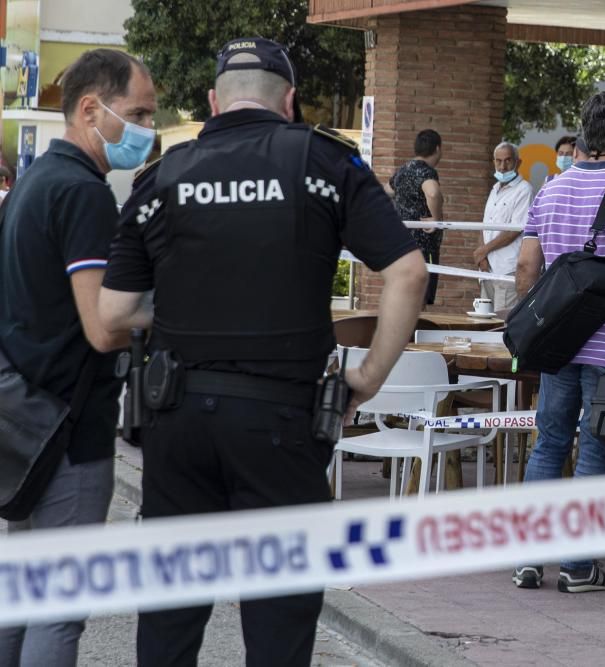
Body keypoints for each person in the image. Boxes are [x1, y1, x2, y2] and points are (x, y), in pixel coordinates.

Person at [97, 37, 428, 666]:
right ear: (291, 102)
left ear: (215, 101)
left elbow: (114, 314)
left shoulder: (164, 174)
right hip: (282, 424)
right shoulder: (326, 164)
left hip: (177, 418)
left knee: (169, 618)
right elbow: (407, 272)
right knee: (278, 623)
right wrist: (369, 376)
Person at [0, 49, 157, 666]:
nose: (147, 127)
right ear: (91, 108)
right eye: (139, 112)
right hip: (69, 433)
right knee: (57, 615)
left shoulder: (34, 182)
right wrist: (170, 316)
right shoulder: (85, 195)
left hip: (22, 422)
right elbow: (103, 326)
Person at [513, 91, 605, 593]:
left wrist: (537, 324)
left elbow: (526, 268)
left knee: (549, 444)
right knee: (596, 450)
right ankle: (579, 567)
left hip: (558, 345)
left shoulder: (550, 189)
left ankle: (529, 559)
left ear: (581, 140)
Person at [473, 141, 532, 312]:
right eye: (498, 161)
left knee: (501, 323)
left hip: (507, 269)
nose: (502, 166)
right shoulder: (495, 189)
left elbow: (513, 231)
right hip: (486, 269)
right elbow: (485, 225)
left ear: (518, 162)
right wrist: (481, 257)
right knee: (483, 320)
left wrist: (483, 251)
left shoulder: (524, 189)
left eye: (508, 160)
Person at [389, 129, 444, 304]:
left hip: (400, 245)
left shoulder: (403, 170)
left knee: (403, 296)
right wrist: (436, 218)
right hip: (423, 245)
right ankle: (416, 331)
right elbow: (433, 193)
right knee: (419, 299)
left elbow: (387, 190)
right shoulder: (425, 171)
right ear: (437, 149)